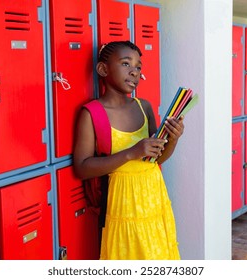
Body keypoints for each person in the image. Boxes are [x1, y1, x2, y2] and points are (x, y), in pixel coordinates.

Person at [73, 41, 184, 260]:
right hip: (122, 205)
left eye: (138, 67)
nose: (134, 72)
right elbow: (82, 168)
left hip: (153, 199)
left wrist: (173, 138)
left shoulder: (144, 107)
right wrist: (130, 153)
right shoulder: (91, 113)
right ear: (103, 69)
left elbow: (157, 158)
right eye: (126, 64)